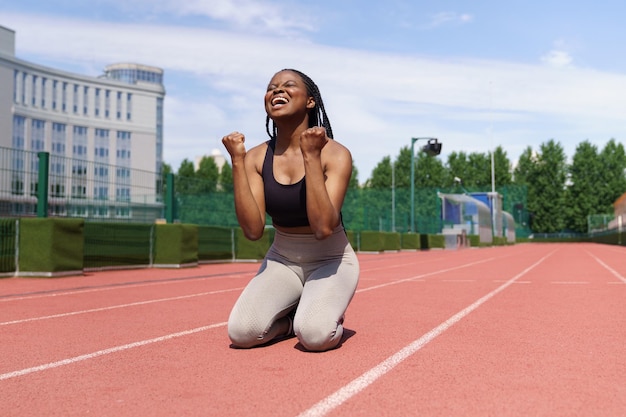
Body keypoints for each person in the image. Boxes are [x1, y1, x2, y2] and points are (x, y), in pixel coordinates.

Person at [222, 69, 360, 352]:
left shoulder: (335, 154)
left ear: (310, 101)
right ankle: (289, 322)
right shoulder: (257, 158)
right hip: (282, 260)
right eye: (272, 88)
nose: (277, 91)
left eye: (287, 86)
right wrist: (237, 161)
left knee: (315, 336)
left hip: (331, 259)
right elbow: (252, 230)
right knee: (242, 333)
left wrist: (311, 155)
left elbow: (323, 228)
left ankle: (316, 314)